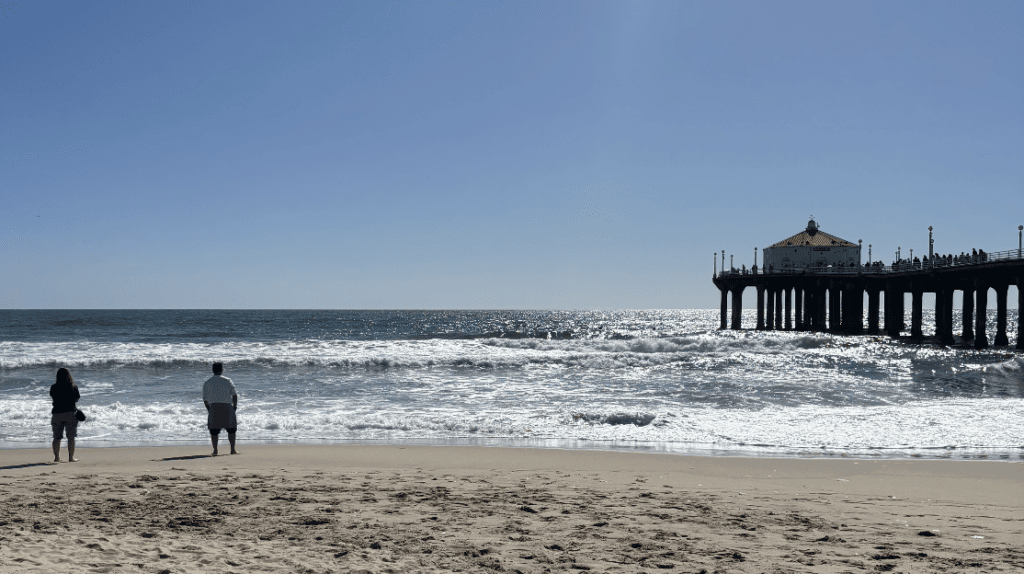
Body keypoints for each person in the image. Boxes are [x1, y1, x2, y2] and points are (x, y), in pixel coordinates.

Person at [203, 362, 239, 456]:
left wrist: (209, 409)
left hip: (214, 407)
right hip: (227, 407)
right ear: (222, 370)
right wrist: (234, 407)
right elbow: (234, 395)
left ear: (212, 370)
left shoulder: (207, 382)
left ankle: (215, 450)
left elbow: (205, 399)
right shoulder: (227, 380)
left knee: (214, 431)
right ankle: (232, 449)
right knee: (231, 429)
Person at [50, 367, 80, 463]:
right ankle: (71, 458)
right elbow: (76, 399)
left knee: (57, 437)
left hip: (57, 413)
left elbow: (52, 396)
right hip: (70, 413)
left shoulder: (54, 387)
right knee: (71, 437)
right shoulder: (73, 387)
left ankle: (57, 457)